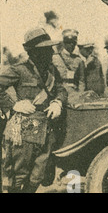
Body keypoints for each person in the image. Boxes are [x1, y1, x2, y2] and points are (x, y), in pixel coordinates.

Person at [0, 27, 67, 193]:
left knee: (37, 176)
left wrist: (57, 102)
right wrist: (13, 104)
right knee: (19, 178)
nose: (51, 52)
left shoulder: (51, 70)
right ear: (34, 52)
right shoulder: (20, 69)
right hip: (25, 134)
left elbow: (61, 89)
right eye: (46, 49)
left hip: (47, 132)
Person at [52, 29, 86, 94]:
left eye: (74, 43)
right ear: (64, 43)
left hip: (74, 93)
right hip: (59, 92)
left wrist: (80, 94)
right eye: (69, 42)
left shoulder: (79, 60)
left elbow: (81, 81)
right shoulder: (55, 58)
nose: (71, 45)